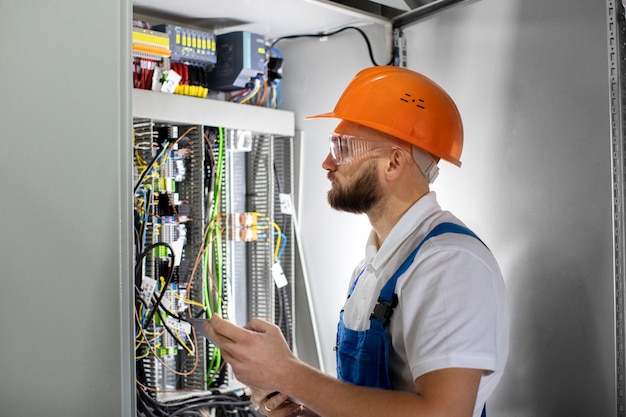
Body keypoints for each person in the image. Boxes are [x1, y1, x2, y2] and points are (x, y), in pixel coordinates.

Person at [204, 66, 509, 417]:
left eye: (342, 147)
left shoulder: (449, 264)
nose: (327, 163)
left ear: (394, 162)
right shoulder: (370, 269)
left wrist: (286, 371)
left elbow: (443, 413)